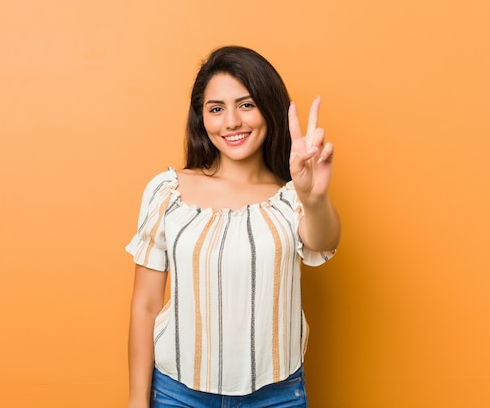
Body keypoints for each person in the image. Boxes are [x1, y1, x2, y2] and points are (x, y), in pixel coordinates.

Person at [126, 46, 341, 408]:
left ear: (268, 109)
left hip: (277, 396)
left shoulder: (290, 198)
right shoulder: (168, 192)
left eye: (246, 104)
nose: (231, 122)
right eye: (216, 109)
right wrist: (136, 400)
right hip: (178, 394)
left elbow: (324, 241)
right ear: (202, 119)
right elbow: (145, 305)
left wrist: (314, 197)